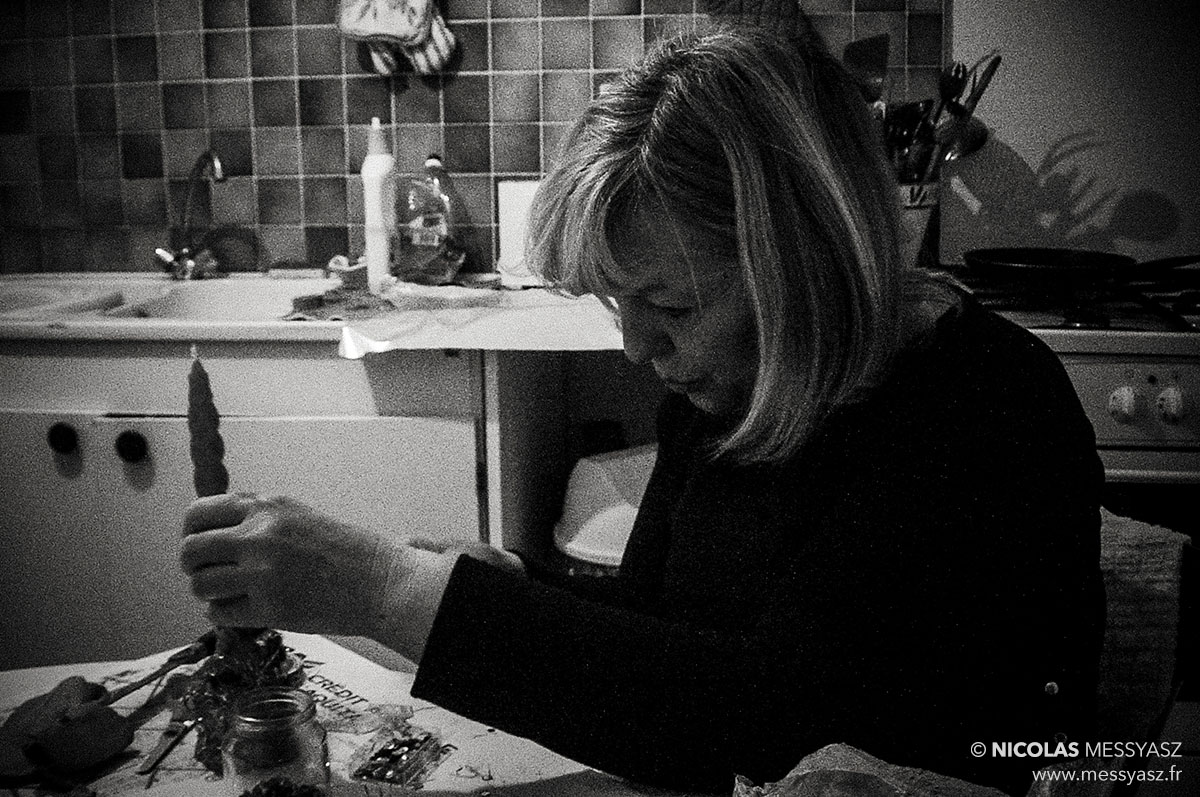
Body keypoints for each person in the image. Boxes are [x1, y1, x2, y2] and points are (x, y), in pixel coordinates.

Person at [180, 22, 1106, 796]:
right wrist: (512, 583)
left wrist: (393, 592)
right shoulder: (733, 394)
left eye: (671, 304)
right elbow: (665, 618)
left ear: (808, 261)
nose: (635, 346)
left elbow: (779, 730)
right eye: (620, 303)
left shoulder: (978, 410)